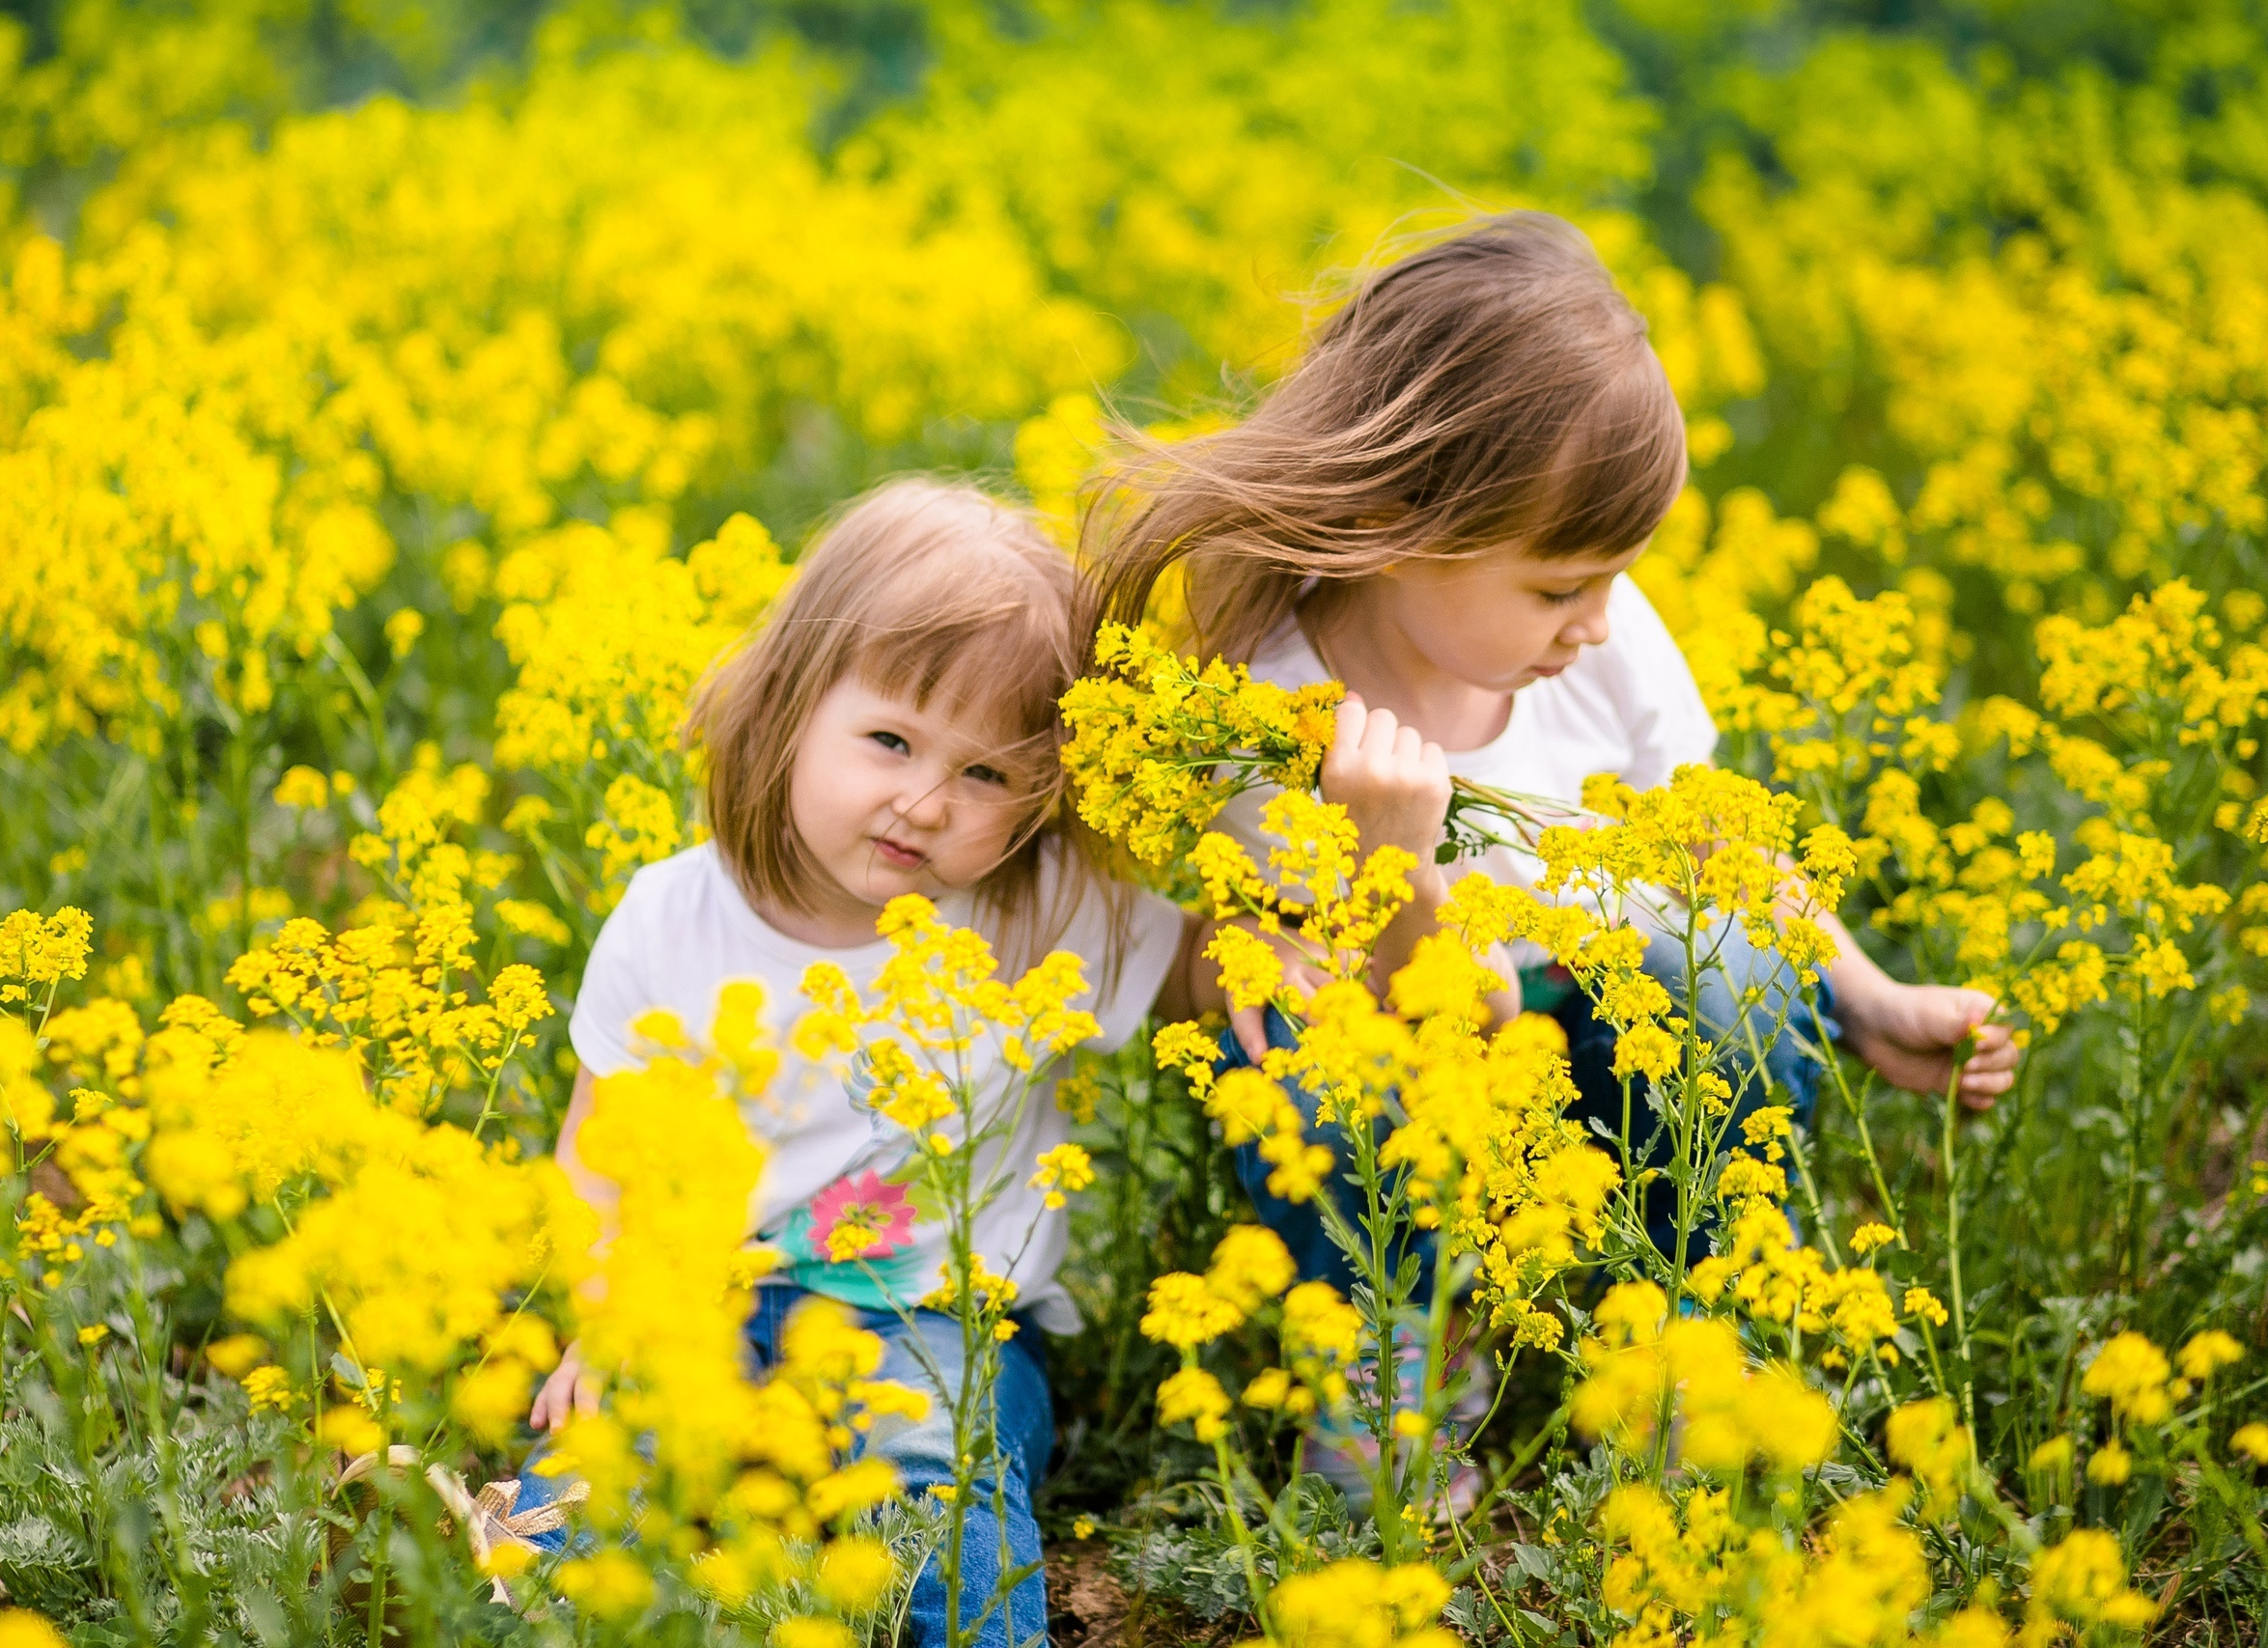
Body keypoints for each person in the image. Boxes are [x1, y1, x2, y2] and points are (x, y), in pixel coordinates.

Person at [1081, 211, 2020, 1408]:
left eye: (1613, 578)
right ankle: (1398, 1352)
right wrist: (1392, 864)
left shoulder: (1603, 642)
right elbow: (1417, 1013)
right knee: (1321, 1070)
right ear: (1391, 530)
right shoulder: (1266, 712)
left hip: (1595, 1017)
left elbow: (1719, 846)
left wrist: (1864, 990)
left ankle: (1684, 1327)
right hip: (1423, 1038)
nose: (1596, 622)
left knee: (1726, 962)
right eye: (1559, 585)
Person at [522, 480, 1208, 1646]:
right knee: (571, 1501)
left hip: (937, 1321)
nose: (926, 803)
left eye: (986, 775)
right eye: (889, 740)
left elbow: (1213, 972)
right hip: (695, 1302)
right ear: (790, 704)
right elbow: (594, 1164)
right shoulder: (667, 918)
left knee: (940, 1483)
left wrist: (1322, 891)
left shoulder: (1035, 913)